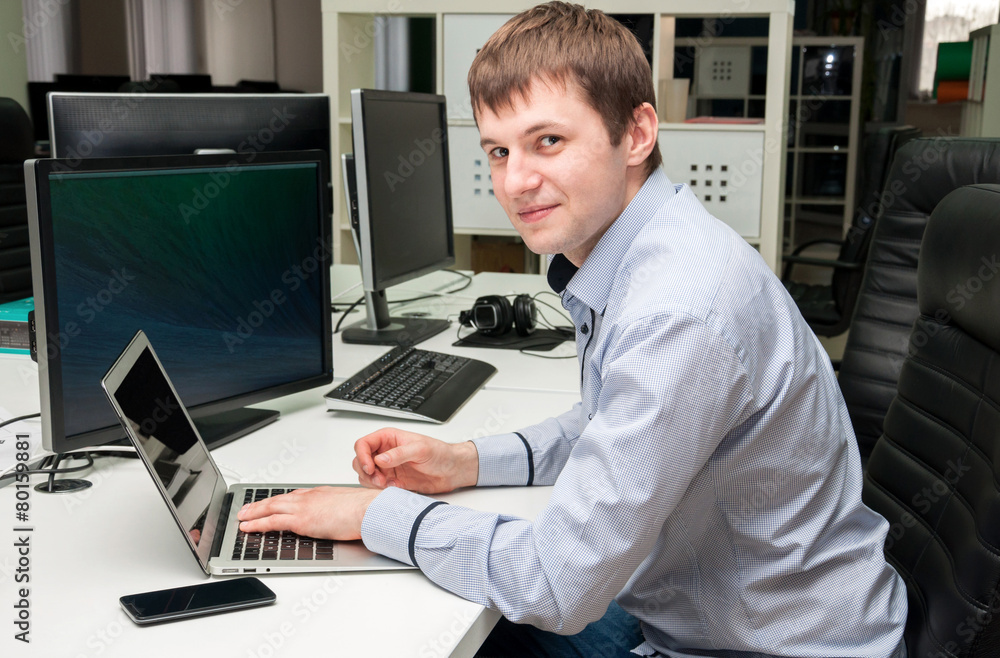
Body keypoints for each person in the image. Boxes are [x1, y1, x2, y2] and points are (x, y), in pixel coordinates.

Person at [238, 3, 908, 656]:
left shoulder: (677, 309)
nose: (515, 182)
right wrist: (463, 463)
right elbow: (605, 423)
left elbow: (555, 586)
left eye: (548, 141)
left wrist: (369, 516)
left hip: (767, 646)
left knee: (406, 623)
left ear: (638, 133)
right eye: (498, 151)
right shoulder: (642, 248)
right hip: (700, 613)